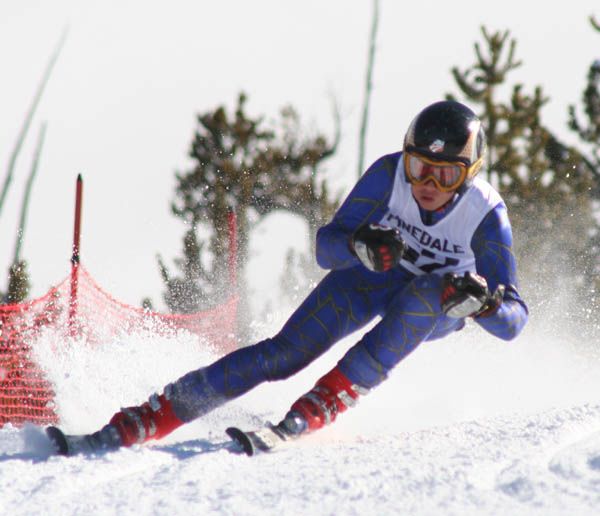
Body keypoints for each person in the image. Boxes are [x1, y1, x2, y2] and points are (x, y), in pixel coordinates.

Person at [64, 100, 529, 452]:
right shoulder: (389, 175)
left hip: (435, 306)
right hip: (373, 280)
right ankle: (150, 415)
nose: (426, 184)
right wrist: (359, 245)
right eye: (418, 167)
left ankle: (315, 408)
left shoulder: (486, 215)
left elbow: (514, 320)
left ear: (468, 176)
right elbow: (327, 248)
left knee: (427, 291)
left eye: (444, 175)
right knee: (283, 355)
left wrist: (484, 304)